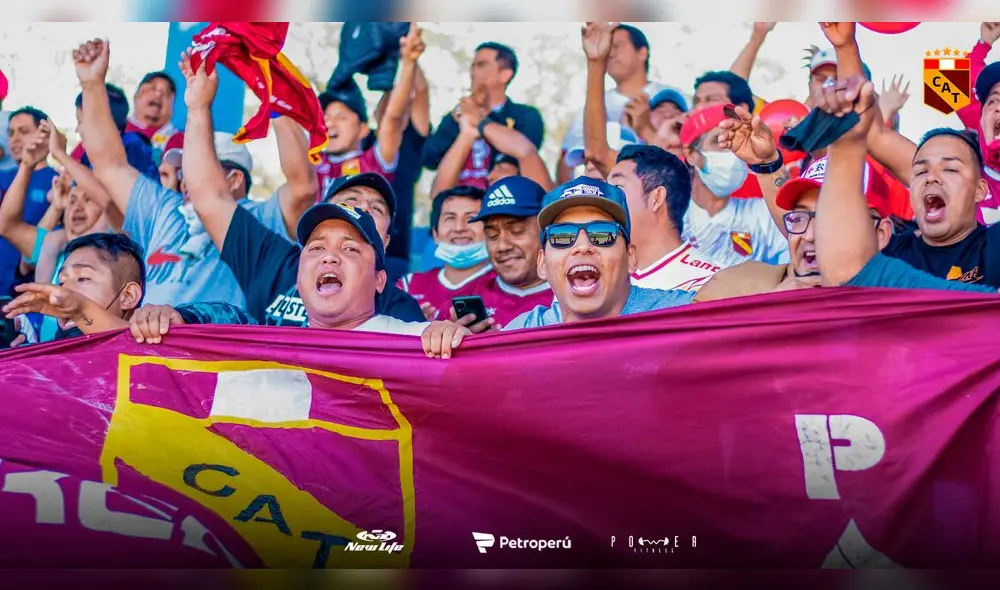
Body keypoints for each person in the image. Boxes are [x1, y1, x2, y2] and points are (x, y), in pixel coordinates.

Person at [73, 38, 316, 308]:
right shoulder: (164, 208)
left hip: (221, 350)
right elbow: (109, 165)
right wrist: (92, 85)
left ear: (234, 179)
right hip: (143, 349)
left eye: (200, 167)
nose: (186, 178)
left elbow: (302, 186)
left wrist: (274, 94)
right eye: (185, 168)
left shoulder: (261, 221)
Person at [420, 177, 698, 357]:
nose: (582, 246)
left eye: (602, 234)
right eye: (562, 237)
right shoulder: (526, 331)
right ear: (543, 263)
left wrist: (745, 161)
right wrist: (457, 346)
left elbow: (741, 297)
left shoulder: (676, 314)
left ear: (631, 258)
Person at [126, 202, 430, 343]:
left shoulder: (415, 342)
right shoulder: (270, 353)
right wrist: (174, 319)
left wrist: (453, 341)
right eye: (315, 249)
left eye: (350, 249)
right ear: (299, 278)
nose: (329, 258)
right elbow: (221, 320)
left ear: (380, 280)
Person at [215, 172, 424, 326]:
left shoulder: (401, 318)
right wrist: (190, 315)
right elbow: (208, 198)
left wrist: (444, 334)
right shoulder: (274, 260)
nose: (363, 209)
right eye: (318, 247)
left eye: (350, 249)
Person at [315, 24, 425, 199]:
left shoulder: (373, 163)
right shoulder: (313, 162)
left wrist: (408, 62)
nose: (329, 123)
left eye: (341, 117)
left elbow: (393, 119)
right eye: (326, 117)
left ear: (363, 129)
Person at [558, 23, 674, 183]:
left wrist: (645, 128)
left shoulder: (675, 98)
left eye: (617, 46)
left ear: (642, 52)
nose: (610, 53)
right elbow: (568, 160)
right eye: (607, 46)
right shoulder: (588, 109)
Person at [421, 41, 544, 190]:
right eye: (472, 65)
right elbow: (429, 158)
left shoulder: (525, 116)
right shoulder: (455, 117)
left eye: (481, 65)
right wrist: (457, 122)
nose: (473, 72)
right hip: (457, 206)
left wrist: (479, 118)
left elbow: (520, 158)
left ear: (505, 75)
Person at [679, 104, 789, 268]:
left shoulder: (764, 214)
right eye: (719, 141)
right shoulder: (671, 217)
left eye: (737, 139)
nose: (732, 151)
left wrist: (768, 161)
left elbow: (798, 229)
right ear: (690, 154)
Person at [607, 144, 724, 292]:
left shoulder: (710, 284)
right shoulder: (602, 282)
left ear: (656, 198)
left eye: (616, 188)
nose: (603, 199)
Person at [2, 232, 145, 345]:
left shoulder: (153, 352)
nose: (64, 291)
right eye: (61, 282)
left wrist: (81, 310)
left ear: (128, 296)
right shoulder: (45, 358)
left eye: (83, 278)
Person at [397, 185, 493, 320]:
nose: (459, 228)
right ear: (435, 234)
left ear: (490, 231)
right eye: (450, 218)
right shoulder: (409, 286)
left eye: (471, 218)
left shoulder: (506, 284)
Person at [470, 175, 553, 328]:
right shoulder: (468, 300)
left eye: (517, 231)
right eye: (492, 236)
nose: (502, 246)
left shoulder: (576, 297)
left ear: (546, 230)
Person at [0, 107, 59, 296]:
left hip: (31, 289)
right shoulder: (1, 178)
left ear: (44, 135)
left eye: (23, 131)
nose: (15, 139)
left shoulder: (61, 183)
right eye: (11, 133)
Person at [431, 106, 553, 195]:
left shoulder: (533, 203)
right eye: (494, 169)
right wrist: (467, 134)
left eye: (501, 168)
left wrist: (479, 122)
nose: (490, 176)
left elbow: (525, 151)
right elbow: (439, 194)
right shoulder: (480, 206)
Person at [956, 22, 1000, 225]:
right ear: (979, 123)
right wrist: (984, 44)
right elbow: (950, 80)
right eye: (993, 100)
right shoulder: (962, 188)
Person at [126, 70, 184, 158]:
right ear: (137, 96)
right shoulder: (115, 127)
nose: (158, 94)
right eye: (152, 89)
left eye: (166, 93)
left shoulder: (181, 141)